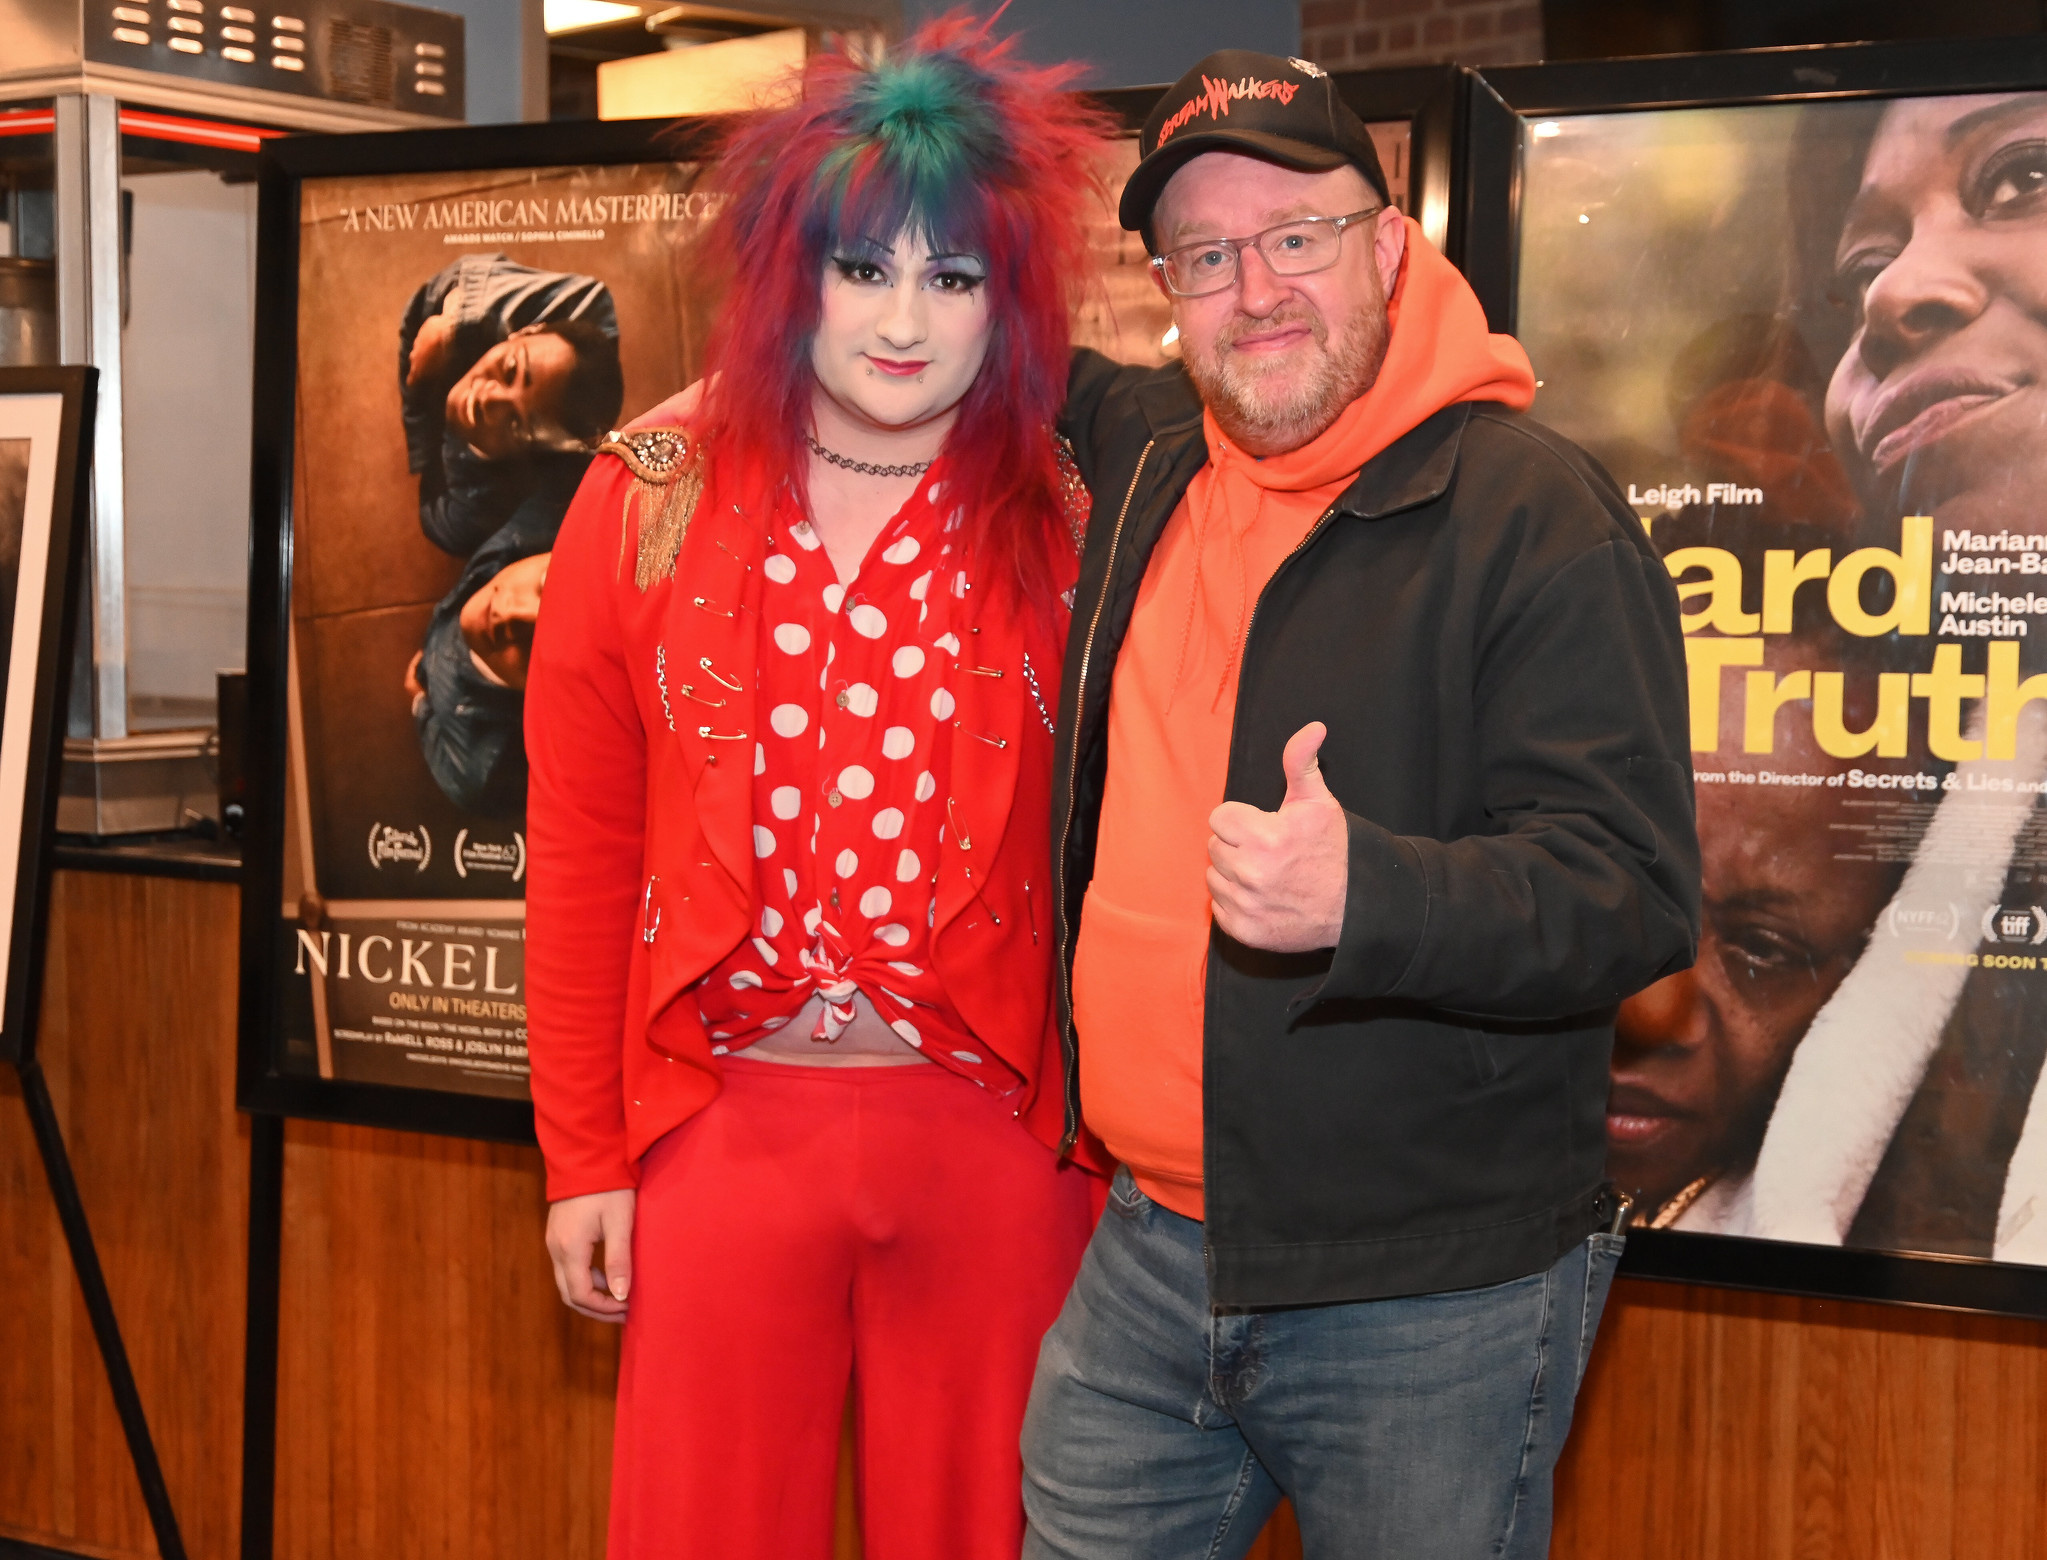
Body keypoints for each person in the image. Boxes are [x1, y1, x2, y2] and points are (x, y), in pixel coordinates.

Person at [1021, 52, 1699, 1560]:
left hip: (1426, 1298)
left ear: (1388, 248)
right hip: (1144, 1253)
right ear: (1163, 290)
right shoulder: (1149, 462)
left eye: (1295, 237)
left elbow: (1633, 891)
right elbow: (954, 346)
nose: (1252, 288)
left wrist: (1367, 897)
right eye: (1204, 254)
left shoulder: (1534, 515)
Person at [521, 24, 1109, 1560]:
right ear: (797, 274)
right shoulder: (643, 497)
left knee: (998, 1535)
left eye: (954, 277)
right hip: (718, 1129)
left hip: (999, 1144)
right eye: (866, 268)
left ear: (1011, 299)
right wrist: (582, 1153)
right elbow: (578, 851)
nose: (905, 320)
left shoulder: (1075, 517)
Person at [398, 253, 624, 557]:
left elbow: (439, 518)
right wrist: (454, 327)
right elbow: (437, 295)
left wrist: (423, 393)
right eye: (510, 370)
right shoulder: (585, 308)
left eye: (518, 424)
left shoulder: (475, 513)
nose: (490, 400)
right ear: (525, 330)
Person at [403, 495, 554, 817]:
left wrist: (419, 703)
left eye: (544, 646)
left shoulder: (478, 770)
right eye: (547, 584)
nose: (508, 614)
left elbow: (456, 774)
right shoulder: (543, 521)